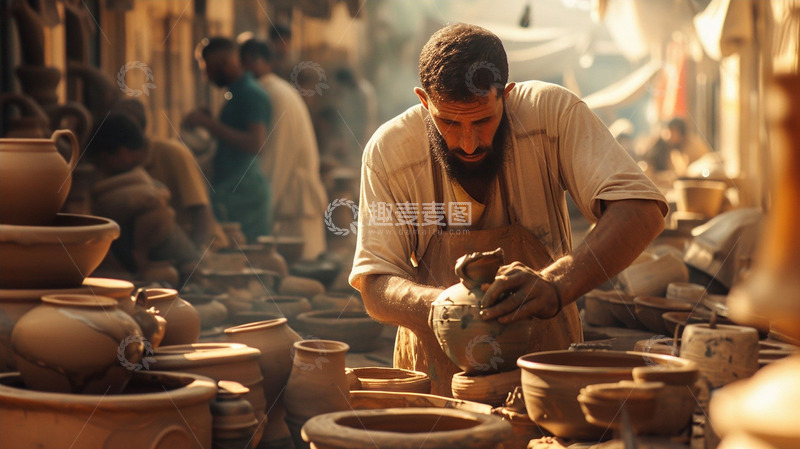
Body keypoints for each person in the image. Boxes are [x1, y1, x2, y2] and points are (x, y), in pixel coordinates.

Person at [350, 24, 668, 395]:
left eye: (483, 120)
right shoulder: (389, 152)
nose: (468, 143)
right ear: (424, 101)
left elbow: (642, 210)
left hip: (542, 378)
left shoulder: (552, 114)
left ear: (508, 95)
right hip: (434, 383)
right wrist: (444, 306)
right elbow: (374, 284)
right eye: (449, 122)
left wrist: (556, 283)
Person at [239, 38, 329, 260]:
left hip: (292, 209)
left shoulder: (274, 94)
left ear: (250, 61)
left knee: (294, 274)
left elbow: (277, 160)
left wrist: (259, 213)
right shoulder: (276, 91)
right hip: (291, 205)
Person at [85, 113, 199, 282]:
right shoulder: (124, 181)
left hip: (186, 254)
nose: (103, 169)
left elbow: (200, 210)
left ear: (122, 153)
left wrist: (198, 260)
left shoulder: (172, 153)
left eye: (103, 161)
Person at [183, 36, 272, 243]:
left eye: (209, 69)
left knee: (245, 259)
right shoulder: (236, 93)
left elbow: (256, 144)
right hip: (230, 188)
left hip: (244, 193)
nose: (206, 77)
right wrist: (211, 122)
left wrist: (209, 124)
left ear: (226, 64)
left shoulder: (251, 93)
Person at [110, 98, 222, 249]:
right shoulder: (117, 163)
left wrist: (197, 257)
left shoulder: (173, 152)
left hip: (197, 246)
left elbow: (200, 209)